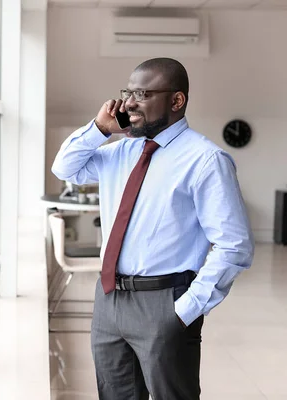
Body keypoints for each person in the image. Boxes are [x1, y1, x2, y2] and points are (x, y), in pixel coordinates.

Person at [51, 57, 254, 400]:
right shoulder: (122, 150)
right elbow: (65, 168)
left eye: (142, 94)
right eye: (127, 93)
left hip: (164, 302)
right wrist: (100, 128)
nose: (129, 103)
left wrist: (185, 310)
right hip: (109, 299)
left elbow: (234, 246)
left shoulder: (205, 160)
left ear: (176, 101)